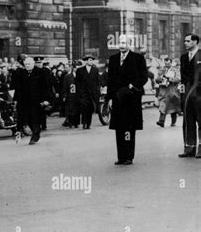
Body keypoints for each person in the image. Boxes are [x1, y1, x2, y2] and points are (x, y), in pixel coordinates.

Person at [107, 34, 148, 165]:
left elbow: (144, 77)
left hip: (131, 99)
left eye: (124, 43)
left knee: (129, 128)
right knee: (119, 127)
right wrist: (109, 98)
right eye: (120, 42)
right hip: (117, 98)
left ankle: (129, 156)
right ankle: (121, 156)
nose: (121, 45)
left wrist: (133, 86)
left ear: (130, 44)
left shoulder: (138, 58)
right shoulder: (113, 59)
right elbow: (110, 80)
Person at [13, 57, 51, 145]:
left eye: (29, 64)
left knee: (36, 117)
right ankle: (35, 131)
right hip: (25, 100)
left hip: (37, 100)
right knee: (27, 118)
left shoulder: (40, 72)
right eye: (25, 64)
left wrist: (46, 99)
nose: (27, 66)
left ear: (33, 64)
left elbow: (45, 87)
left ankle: (35, 135)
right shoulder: (22, 73)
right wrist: (16, 99)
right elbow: (18, 87)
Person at [178, 34, 201, 158]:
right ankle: (189, 148)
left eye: (188, 41)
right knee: (188, 121)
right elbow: (183, 77)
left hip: (199, 93)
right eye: (185, 41)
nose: (185, 43)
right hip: (187, 92)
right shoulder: (183, 57)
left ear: (195, 42)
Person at [155, 57, 181, 128]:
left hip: (172, 91)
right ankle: (161, 121)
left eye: (168, 63)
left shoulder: (175, 70)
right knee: (163, 105)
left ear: (171, 63)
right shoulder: (162, 70)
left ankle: (173, 121)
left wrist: (169, 79)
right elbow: (157, 79)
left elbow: (178, 79)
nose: (167, 65)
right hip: (163, 91)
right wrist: (160, 79)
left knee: (173, 107)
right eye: (166, 64)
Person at [76, 55, 100, 129]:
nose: (91, 62)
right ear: (86, 61)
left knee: (90, 109)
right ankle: (84, 123)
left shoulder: (95, 70)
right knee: (84, 108)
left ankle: (88, 123)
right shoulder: (80, 70)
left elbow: (97, 82)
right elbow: (77, 82)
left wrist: (97, 91)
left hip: (92, 94)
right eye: (90, 60)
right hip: (84, 93)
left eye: (92, 60)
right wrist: (80, 92)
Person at [62, 61, 80, 128]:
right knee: (70, 109)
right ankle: (70, 122)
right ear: (73, 68)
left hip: (77, 95)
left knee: (77, 109)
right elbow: (65, 87)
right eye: (76, 68)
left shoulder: (80, 76)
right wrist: (64, 95)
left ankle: (76, 123)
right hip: (70, 95)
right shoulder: (67, 76)